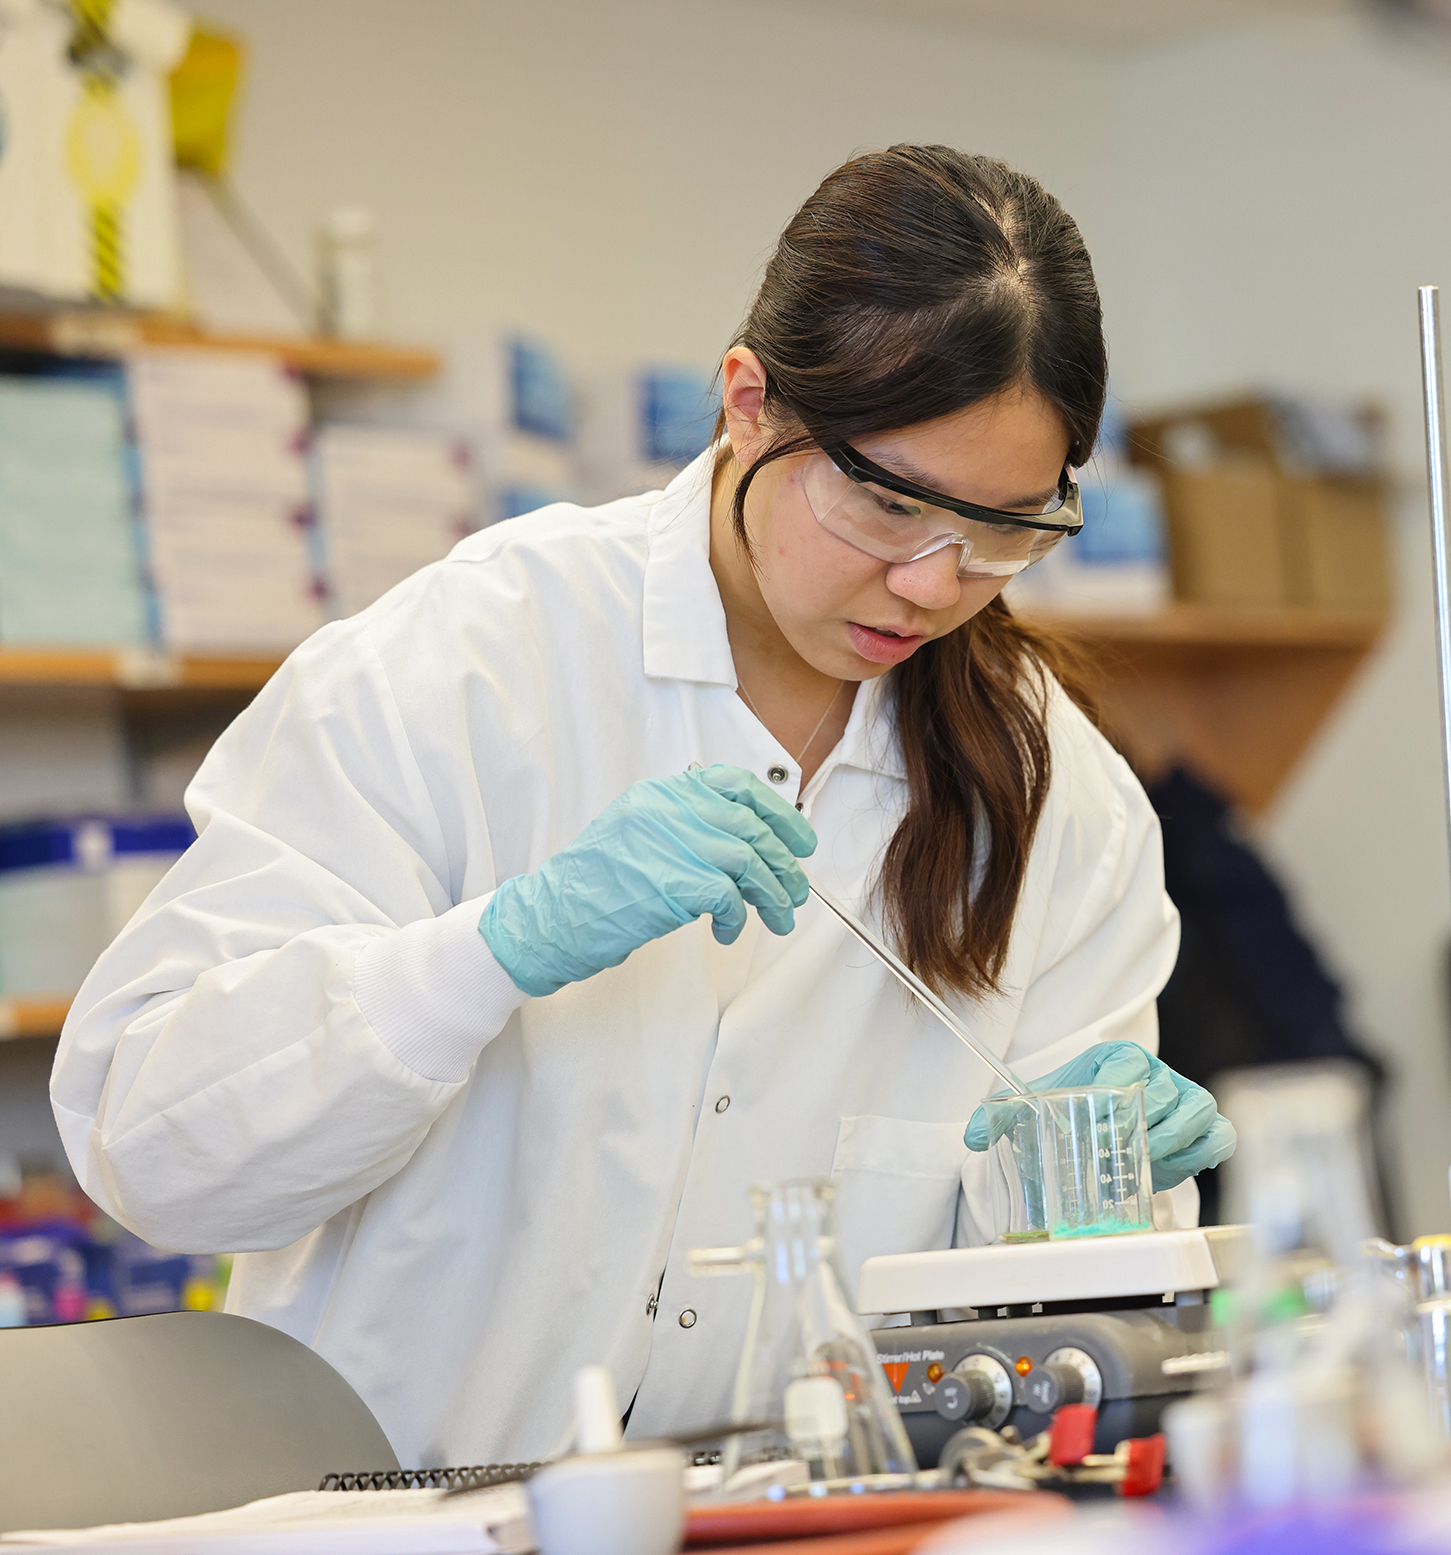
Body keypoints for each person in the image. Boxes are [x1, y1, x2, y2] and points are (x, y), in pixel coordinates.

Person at [50, 145, 1235, 1469]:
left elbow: (1051, 1353)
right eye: (890, 503)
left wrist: (1105, 1185)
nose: (931, 584)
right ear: (748, 401)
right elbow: (150, 1154)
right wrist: (485, 954)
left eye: (1006, 530)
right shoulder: (470, 663)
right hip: (393, 1514)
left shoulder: (1060, 802)